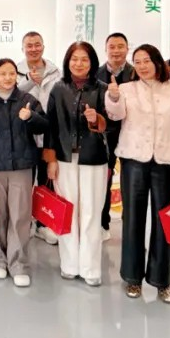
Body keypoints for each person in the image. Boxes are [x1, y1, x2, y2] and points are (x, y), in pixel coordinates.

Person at [104, 44, 170, 304]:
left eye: (147, 60)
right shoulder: (126, 89)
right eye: (138, 61)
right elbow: (115, 115)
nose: (142, 66)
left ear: (157, 62)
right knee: (132, 221)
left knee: (165, 223)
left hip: (167, 162)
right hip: (134, 161)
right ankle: (132, 277)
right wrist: (113, 97)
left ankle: (162, 280)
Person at [97, 33, 170, 239]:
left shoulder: (135, 72)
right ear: (106, 49)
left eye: (120, 46)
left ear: (126, 49)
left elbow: (157, 72)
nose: (116, 50)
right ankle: (103, 223)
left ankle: (130, 229)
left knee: (144, 203)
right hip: (105, 136)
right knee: (104, 181)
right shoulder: (96, 73)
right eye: (112, 46)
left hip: (137, 138)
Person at [0, 58, 49, 287]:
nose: (7, 78)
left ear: (17, 76)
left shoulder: (28, 100)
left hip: (21, 167)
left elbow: (45, 126)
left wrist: (31, 118)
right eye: (3, 74)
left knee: (20, 217)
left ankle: (18, 264)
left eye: (11, 73)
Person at [42, 41, 111, 287]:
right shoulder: (58, 88)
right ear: (67, 61)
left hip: (94, 158)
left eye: (84, 59)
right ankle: (69, 265)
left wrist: (97, 119)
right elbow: (50, 127)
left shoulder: (103, 89)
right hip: (64, 159)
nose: (79, 63)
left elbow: (113, 125)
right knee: (67, 212)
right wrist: (50, 159)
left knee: (91, 212)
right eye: (74, 59)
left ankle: (91, 268)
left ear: (92, 63)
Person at [16, 31, 62, 246]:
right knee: (24, 182)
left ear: (43, 46)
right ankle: (26, 223)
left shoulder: (55, 72)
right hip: (24, 134)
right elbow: (12, 94)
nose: (33, 49)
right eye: (29, 45)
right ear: (23, 48)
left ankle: (44, 224)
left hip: (49, 133)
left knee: (46, 180)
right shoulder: (15, 70)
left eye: (37, 45)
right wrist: (28, 81)